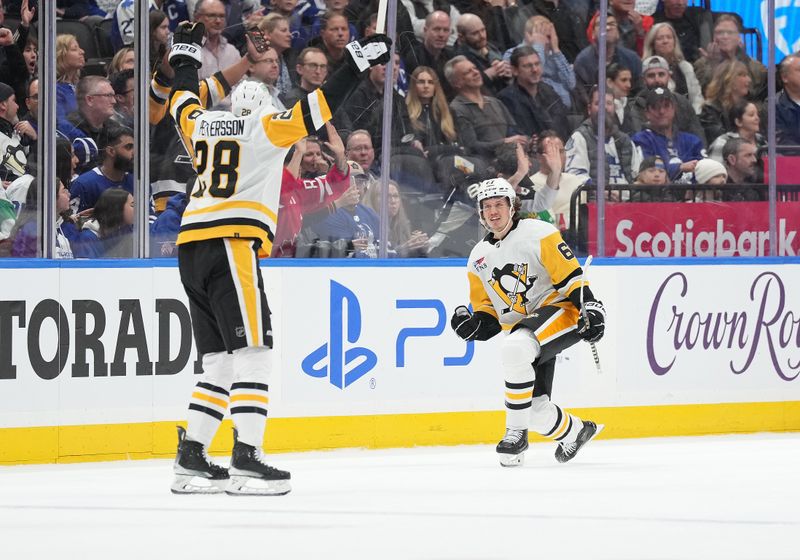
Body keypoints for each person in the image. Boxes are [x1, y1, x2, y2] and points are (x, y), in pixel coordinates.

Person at [167, 20, 391, 495]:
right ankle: (247, 456)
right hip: (231, 244)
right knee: (255, 353)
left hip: (191, 247)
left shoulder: (202, 123)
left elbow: (180, 98)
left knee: (219, 362)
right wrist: (357, 59)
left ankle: (191, 455)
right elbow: (319, 106)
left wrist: (185, 57)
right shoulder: (265, 128)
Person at [450, 177, 605, 467]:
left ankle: (514, 433)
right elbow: (490, 314)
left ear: (513, 206)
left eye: (499, 204)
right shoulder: (478, 258)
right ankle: (576, 431)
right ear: (481, 213)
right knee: (533, 410)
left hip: (560, 312)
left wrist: (592, 307)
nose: (493, 211)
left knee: (515, 347)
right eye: (487, 207)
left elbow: (571, 278)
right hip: (525, 333)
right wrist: (474, 327)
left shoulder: (540, 233)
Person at [641, 22, 703, 114]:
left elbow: (697, 98)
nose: (665, 41)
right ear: (652, 44)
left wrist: (695, 117)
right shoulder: (646, 69)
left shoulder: (685, 67)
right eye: (660, 38)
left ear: (674, 41)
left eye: (669, 37)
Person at [72, 187, 135, 258]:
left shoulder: (125, 231)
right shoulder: (87, 238)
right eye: (132, 205)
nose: (137, 209)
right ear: (117, 209)